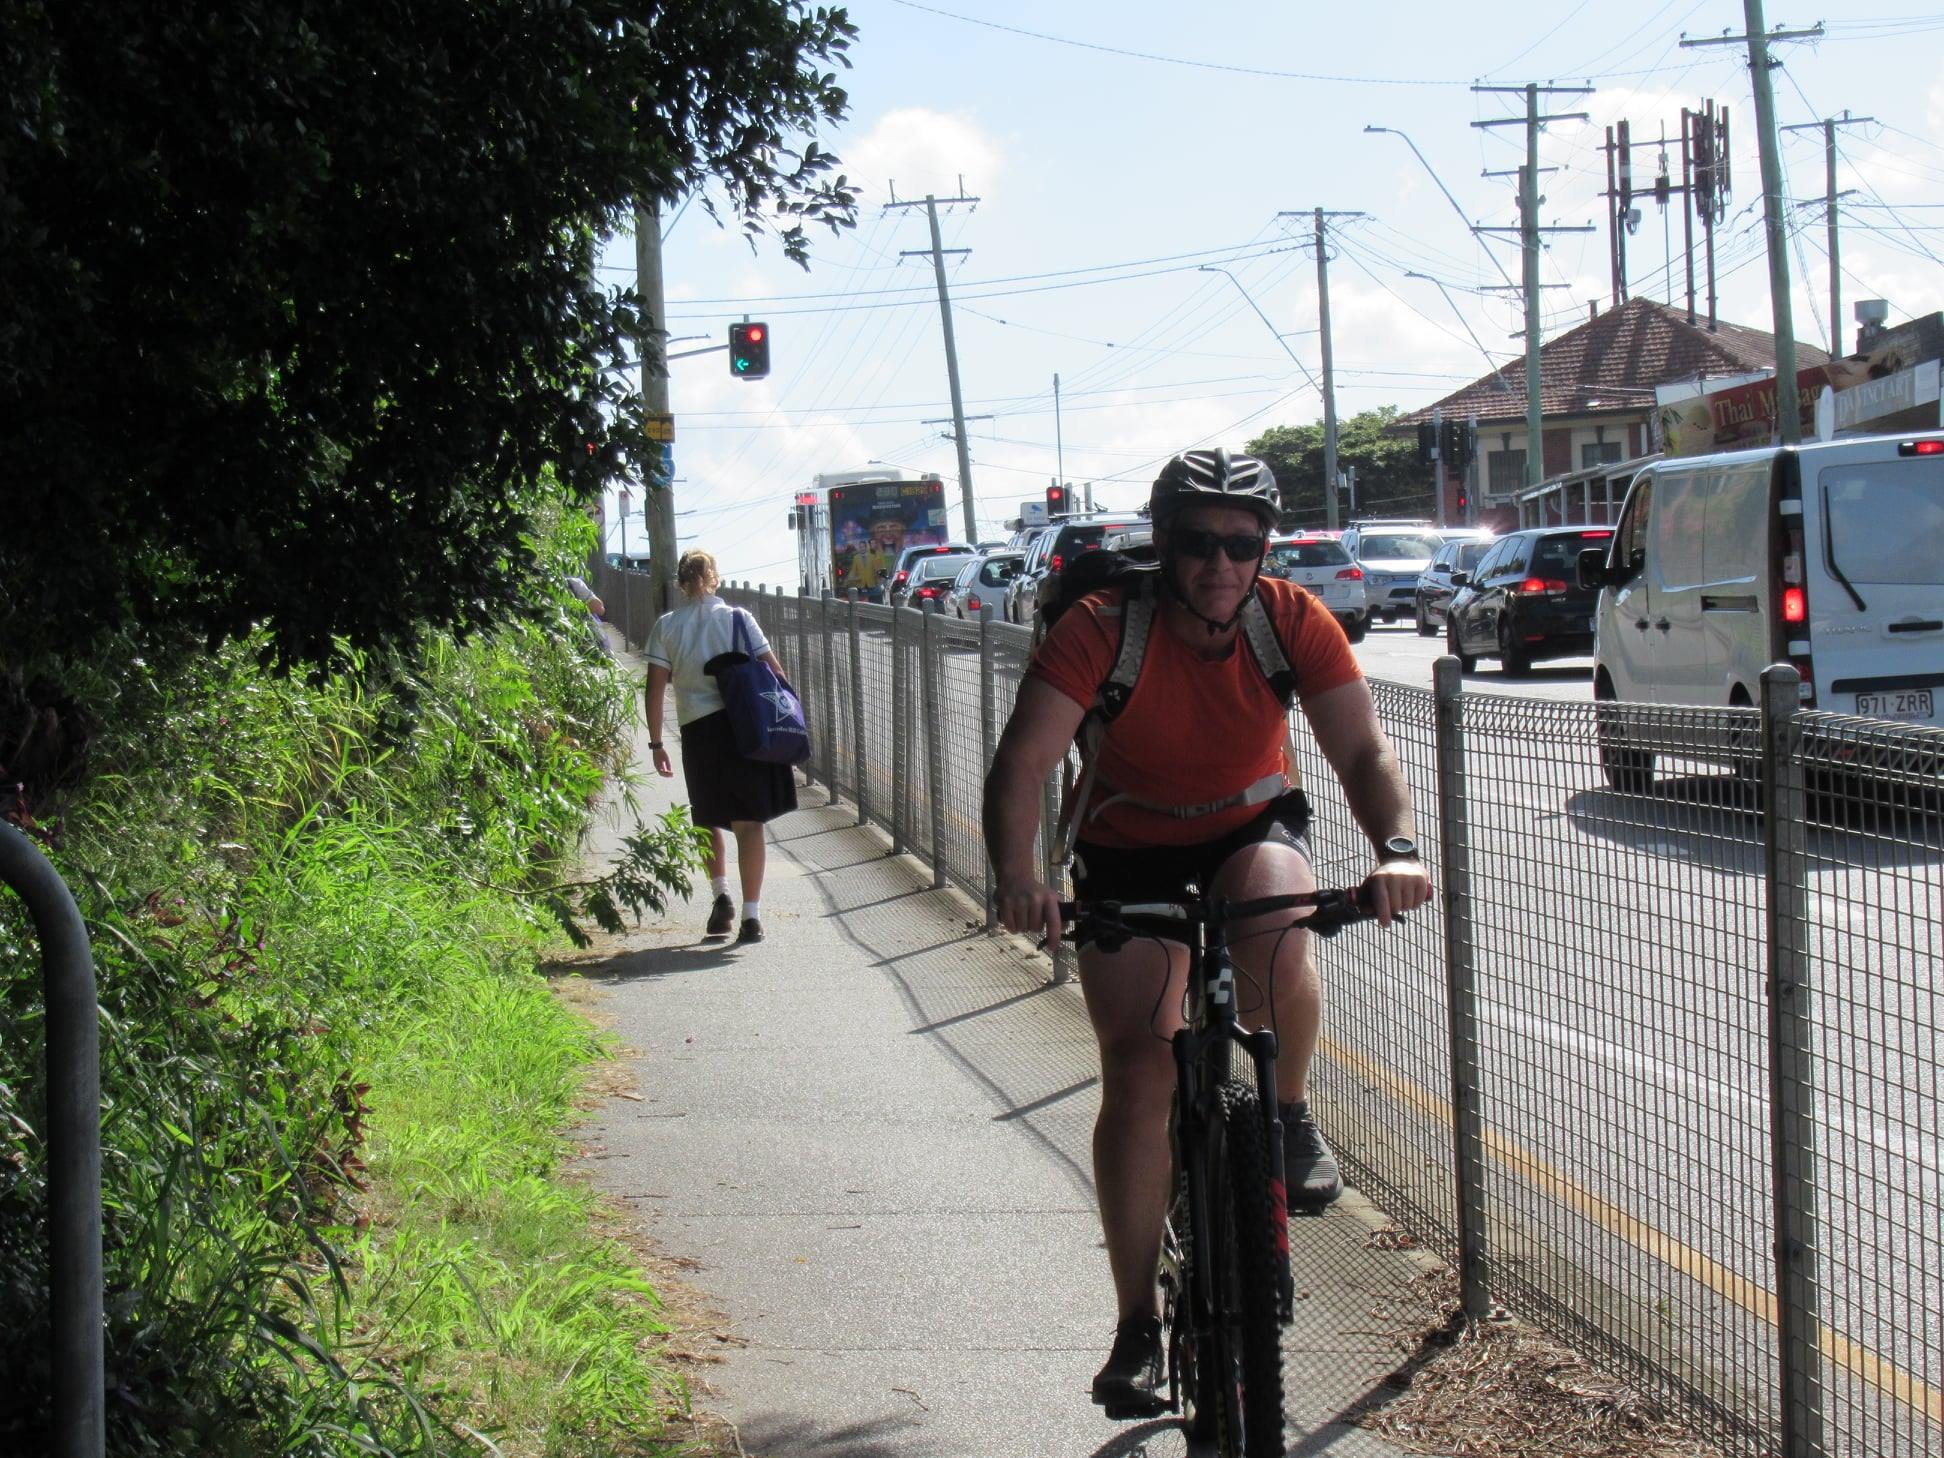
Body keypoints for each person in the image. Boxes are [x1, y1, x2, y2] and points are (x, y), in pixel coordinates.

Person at [981, 447, 1433, 1417]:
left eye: (1242, 543)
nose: (1220, 564)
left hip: (1249, 823)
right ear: (1164, 543)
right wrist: (1019, 878)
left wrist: (1396, 849)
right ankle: (1137, 1325)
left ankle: (1286, 1112)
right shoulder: (1102, 628)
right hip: (1127, 846)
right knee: (1141, 1069)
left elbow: (1361, 748)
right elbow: (1023, 763)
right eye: (1197, 543)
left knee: (1280, 915)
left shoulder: (1290, 620)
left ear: (1265, 547)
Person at [643, 549, 798, 943]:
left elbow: (655, 688)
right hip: (744, 729)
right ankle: (751, 916)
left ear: (681, 583)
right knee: (749, 823)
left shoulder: (667, 626)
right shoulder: (739, 619)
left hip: (699, 732)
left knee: (708, 819)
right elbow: (775, 674)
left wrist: (657, 743)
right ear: (715, 579)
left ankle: (721, 896)